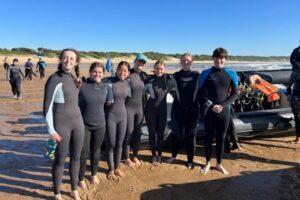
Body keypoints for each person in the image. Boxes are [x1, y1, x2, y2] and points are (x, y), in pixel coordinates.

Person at [43, 48, 84, 200]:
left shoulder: (74, 77)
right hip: (62, 124)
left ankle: (74, 190)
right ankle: (57, 193)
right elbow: (46, 107)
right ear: (61, 60)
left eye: (72, 58)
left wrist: (79, 83)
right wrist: (51, 131)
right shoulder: (54, 79)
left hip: (78, 123)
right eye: (65, 58)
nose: (68, 60)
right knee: (60, 160)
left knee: (76, 157)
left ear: (76, 62)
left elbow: (74, 98)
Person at [198, 47, 238, 175]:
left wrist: (223, 105)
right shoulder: (205, 73)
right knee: (208, 137)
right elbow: (200, 93)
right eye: (216, 58)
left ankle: (219, 164)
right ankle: (208, 163)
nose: (218, 60)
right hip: (210, 111)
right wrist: (211, 105)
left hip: (224, 112)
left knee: (221, 138)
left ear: (225, 59)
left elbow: (235, 94)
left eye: (221, 58)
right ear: (213, 58)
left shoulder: (231, 74)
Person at [78, 62, 113, 191]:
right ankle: (81, 178)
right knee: (83, 152)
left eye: (100, 72)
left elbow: (109, 103)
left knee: (96, 150)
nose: (97, 74)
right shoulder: (82, 85)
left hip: (100, 124)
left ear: (103, 74)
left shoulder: (106, 87)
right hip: (84, 125)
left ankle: (93, 174)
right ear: (90, 72)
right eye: (95, 71)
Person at [166, 53, 199, 169]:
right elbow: (167, 89)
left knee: (191, 135)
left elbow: (204, 89)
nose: (186, 62)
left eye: (188, 60)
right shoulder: (175, 75)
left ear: (192, 62)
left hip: (193, 109)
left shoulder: (197, 75)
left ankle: (190, 160)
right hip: (178, 109)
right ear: (180, 61)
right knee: (176, 133)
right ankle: (174, 155)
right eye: (183, 60)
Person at [144, 60, 178, 165]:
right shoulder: (149, 79)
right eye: (157, 68)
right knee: (151, 133)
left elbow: (177, 88)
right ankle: (154, 155)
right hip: (150, 110)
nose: (159, 70)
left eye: (161, 69)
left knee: (160, 135)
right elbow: (141, 91)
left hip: (162, 111)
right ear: (154, 69)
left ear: (165, 70)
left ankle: (159, 155)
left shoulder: (168, 79)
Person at [105, 61, 131, 180]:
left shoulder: (127, 83)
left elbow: (131, 98)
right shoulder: (109, 81)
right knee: (111, 144)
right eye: (120, 69)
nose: (122, 72)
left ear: (128, 73)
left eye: (125, 70)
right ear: (117, 70)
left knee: (120, 143)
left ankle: (117, 167)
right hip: (111, 116)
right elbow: (95, 82)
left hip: (123, 116)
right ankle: (110, 169)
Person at [123, 53, 148, 168]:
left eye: (143, 62)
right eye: (139, 61)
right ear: (135, 61)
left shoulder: (144, 76)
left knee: (137, 133)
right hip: (129, 108)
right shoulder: (128, 74)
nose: (140, 64)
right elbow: (116, 81)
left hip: (140, 109)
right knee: (128, 132)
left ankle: (135, 155)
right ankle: (126, 157)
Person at [286, 68, 300, 144]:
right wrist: (288, 94)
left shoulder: (295, 72)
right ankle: (298, 138)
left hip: (296, 97)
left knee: (298, 118)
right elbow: (289, 86)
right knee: (297, 118)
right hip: (296, 97)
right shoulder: (296, 72)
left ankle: (298, 139)